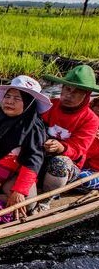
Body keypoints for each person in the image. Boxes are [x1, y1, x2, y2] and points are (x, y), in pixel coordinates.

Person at [0, 75, 51, 216]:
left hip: (13, 175)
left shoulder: (34, 128)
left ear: (28, 103)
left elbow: (33, 162)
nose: (10, 102)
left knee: (27, 201)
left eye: (17, 99)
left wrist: (19, 190)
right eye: (8, 97)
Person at [40, 65, 99, 194]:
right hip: (41, 155)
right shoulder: (49, 105)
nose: (68, 95)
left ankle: (47, 199)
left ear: (86, 95)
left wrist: (61, 148)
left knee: (60, 163)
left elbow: (78, 150)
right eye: (67, 89)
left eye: (76, 92)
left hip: (69, 163)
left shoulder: (91, 119)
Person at [77, 97, 99, 192]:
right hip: (83, 166)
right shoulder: (87, 121)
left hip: (95, 171)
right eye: (98, 106)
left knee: (81, 179)